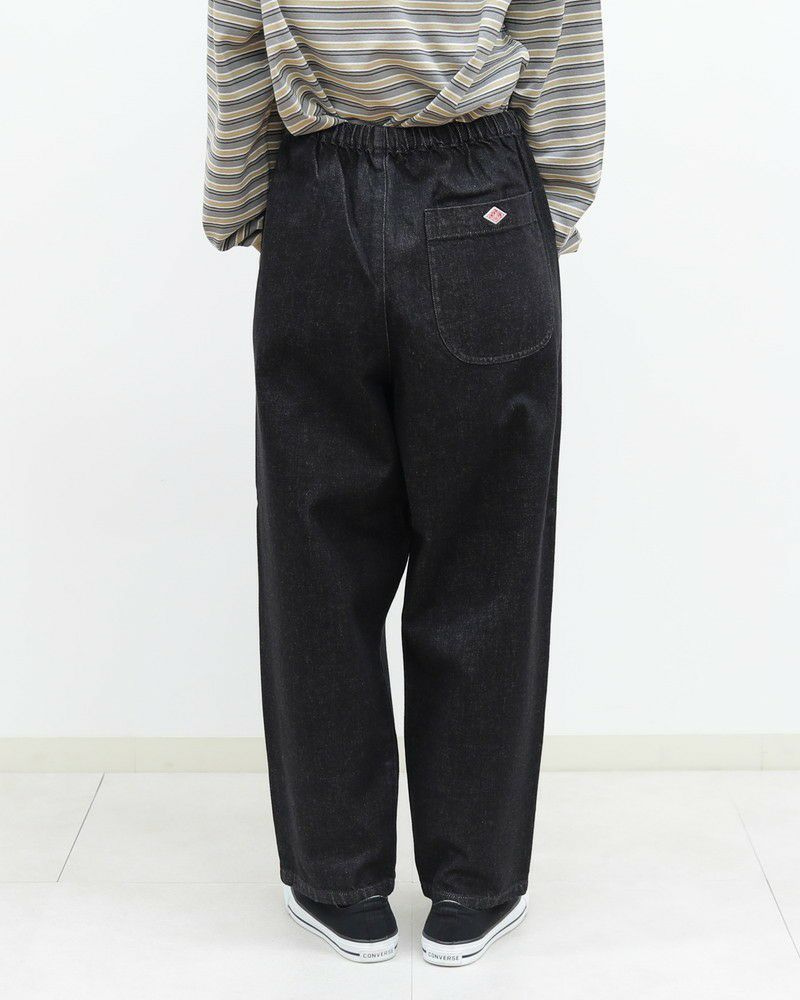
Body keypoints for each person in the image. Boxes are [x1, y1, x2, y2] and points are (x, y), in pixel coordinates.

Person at [204, 0, 604, 967]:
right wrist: (553, 205)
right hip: (485, 195)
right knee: (488, 560)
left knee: (316, 561)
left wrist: (239, 204)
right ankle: (476, 881)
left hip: (314, 200)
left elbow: (238, 44)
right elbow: (561, 40)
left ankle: (337, 877)